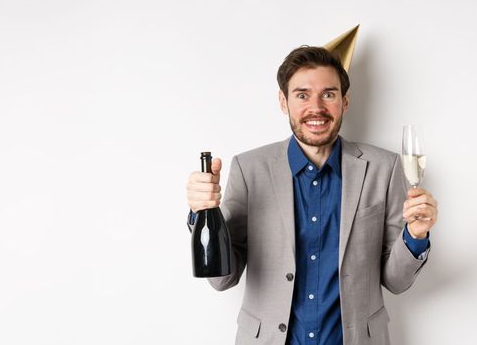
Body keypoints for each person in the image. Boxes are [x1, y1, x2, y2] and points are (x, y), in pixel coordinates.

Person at [185, 46, 438, 345]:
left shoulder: (385, 167)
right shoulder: (248, 169)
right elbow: (222, 279)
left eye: (328, 94)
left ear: (344, 101)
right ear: (283, 101)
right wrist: (203, 213)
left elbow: (396, 281)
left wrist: (415, 236)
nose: (315, 107)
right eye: (302, 95)